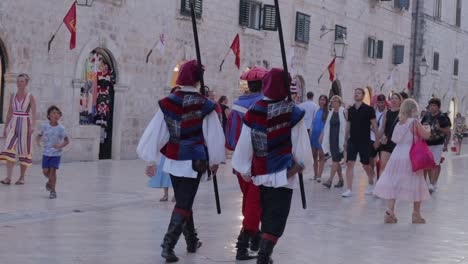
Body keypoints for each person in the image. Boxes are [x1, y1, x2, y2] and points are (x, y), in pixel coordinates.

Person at [137, 60, 225, 262]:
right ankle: (168, 245)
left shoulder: (169, 101)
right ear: (197, 81)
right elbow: (213, 135)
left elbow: (156, 131)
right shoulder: (206, 105)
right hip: (195, 160)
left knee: (185, 200)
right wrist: (215, 159)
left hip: (174, 159)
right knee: (184, 202)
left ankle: (192, 241)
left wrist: (151, 158)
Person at [232, 68, 313, 264]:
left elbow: (245, 143)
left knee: (264, 212)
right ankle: (263, 257)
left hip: (259, 174)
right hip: (283, 175)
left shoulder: (254, 110)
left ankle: (263, 256)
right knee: (275, 219)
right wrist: (301, 165)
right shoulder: (293, 112)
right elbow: (301, 148)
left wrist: (243, 167)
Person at [225, 66, 267, 260]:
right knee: (254, 204)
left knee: (248, 200)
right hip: (256, 163)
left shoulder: (237, 104)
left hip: (239, 162)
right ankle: (242, 246)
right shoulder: (262, 105)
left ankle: (255, 236)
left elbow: (232, 138)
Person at [373, 99, 431, 224]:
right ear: (413, 110)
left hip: (397, 155)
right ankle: (416, 214)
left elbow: (393, 139)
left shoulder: (399, 122)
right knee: (416, 182)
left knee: (394, 181)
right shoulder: (414, 122)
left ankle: (390, 211)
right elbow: (425, 135)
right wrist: (428, 128)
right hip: (411, 155)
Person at [342, 88, 379, 197]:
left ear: (363, 96)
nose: (356, 94)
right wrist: (345, 140)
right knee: (349, 164)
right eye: (355, 93)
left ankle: (372, 182)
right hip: (352, 141)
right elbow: (348, 125)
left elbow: (375, 125)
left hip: (365, 141)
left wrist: (377, 140)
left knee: (365, 165)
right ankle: (349, 189)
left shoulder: (369, 109)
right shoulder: (351, 110)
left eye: (358, 93)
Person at [0, 74, 37, 185]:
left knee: (24, 151)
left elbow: (34, 112)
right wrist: (6, 127)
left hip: (25, 124)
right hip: (13, 123)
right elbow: (9, 112)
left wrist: (33, 125)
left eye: (21, 81)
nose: (19, 83)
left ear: (26, 83)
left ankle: (21, 178)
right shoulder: (13, 96)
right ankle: (8, 178)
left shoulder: (30, 96)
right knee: (8, 148)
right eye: (18, 81)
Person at [148, 87, 181, 202]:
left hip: (176, 143)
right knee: (164, 170)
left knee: (175, 171)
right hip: (165, 144)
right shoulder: (166, 108)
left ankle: (176, 194)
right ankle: (166, 194)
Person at [36, 106, 69, 199]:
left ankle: (53, 191)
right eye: (54, 113)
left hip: (56, 153)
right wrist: (38, 143)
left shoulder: (61, 128)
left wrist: (60, 146)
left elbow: (66, 141)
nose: (56, 115)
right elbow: (39, 135)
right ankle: (50, 181)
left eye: (58, 113)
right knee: (45, 171)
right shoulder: (44, 126)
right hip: (46, 153)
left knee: (53, 171)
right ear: (49, 115)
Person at [421, 98, 451, 193]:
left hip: (438, 144)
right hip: (426, 143)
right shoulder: (426, 116)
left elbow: (448, 131)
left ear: (438, 107)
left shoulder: (442, 117)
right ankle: (428, 183)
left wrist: (440, 128)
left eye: (434, 105)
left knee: (435, 163)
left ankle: (433, 184)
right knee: (426, 164)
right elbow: (421, 127)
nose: (432, 107)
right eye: (431, 105)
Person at [321, 95, 346, 189]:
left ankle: (330, 180)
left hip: (340, 139)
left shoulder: (343, 112)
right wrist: (322, 136)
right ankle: (341, 180)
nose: (334, 103)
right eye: (332, 101)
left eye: (336, 101)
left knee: (336, 160)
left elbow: (347, 125)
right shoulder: (331, 113)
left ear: (339, 103)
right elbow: (327, 125)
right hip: (331, 139)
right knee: (336, 160)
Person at [378, 93, 402, 174]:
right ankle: (381, 185)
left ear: (400, 101)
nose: (394, 100)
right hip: (386, 141)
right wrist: (378, 139)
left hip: (397, 142)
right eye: (392, 98)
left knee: (395, 167)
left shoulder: (403, 113)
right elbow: (383, 127)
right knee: (383, 165)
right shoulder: (386, 112)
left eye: (396, 98)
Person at [310, 95, 329, 182]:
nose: (322, 101)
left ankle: (319, 176)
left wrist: (323, 135)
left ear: (326, 101)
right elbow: (313, 123)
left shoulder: (328, 112)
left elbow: (326, 126)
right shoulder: (316, 110)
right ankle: (315, 174)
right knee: (314, 156)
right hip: (314, 135)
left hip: (322, 137)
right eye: (320, 99)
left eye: (323, 100)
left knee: (321, 157)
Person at [370, 94, 386, 178]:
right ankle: (372, 175)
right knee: (371, 159)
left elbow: (384, 126)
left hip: (382, 139)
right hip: (372, 138)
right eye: (379, 102)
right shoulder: (373, 111)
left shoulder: (387, 112)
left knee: (381, 160)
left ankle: (379, 178)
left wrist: (378, 139)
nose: (381, 104)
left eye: (382, 102)